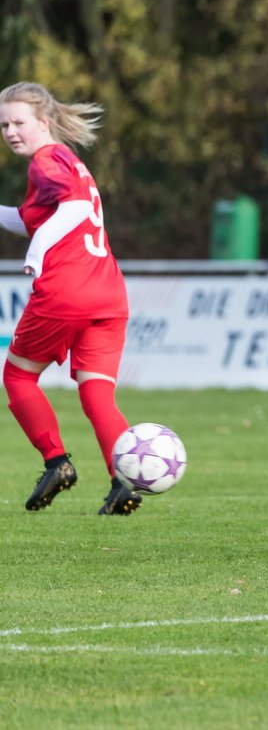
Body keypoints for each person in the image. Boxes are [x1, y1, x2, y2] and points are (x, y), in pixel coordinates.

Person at [0, 82, 140, 515]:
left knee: (18, 377)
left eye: (19, 122)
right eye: (4, 124)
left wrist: (38, 254)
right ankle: (123, 483)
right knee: (97, 393)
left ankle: (57, 462)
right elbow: (32, 220)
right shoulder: (67, 160)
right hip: (108, 292)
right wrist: (34, 235)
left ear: (44, 122)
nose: (10, 131)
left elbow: (75, 210)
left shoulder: (46, 160)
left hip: (67, 289)